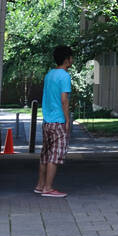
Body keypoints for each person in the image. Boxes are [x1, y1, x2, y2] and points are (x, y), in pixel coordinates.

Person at [35, 45, 73, 198]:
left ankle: (40, 185)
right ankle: (48, 188)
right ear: (66, 59)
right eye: (71, 57)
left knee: (45, 155)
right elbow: (64, 100)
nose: (72, 59)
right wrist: (67, 120)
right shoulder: (64, 76)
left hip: (47, 121)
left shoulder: (49, 74)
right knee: (55, 155)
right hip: (58, 121)